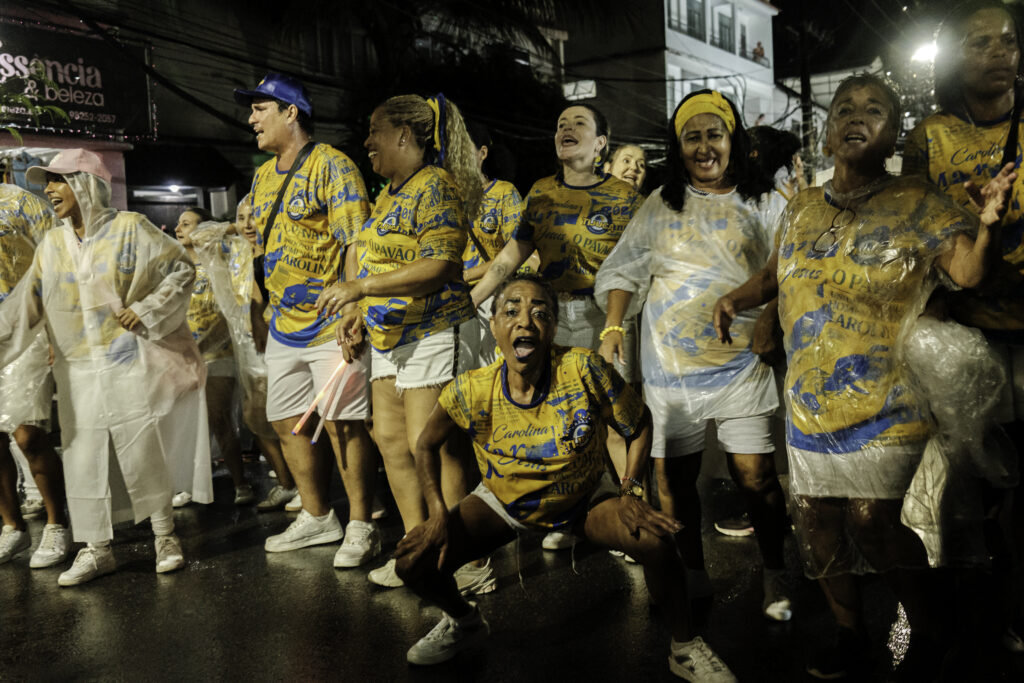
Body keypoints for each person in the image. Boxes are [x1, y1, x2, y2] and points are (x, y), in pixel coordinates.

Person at [713, 74, 1015, 679]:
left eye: (874, 109)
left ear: (894, 132)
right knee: (816, 519)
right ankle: (851, 634)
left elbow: (970, 272)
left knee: (874, 521)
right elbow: (778, 273)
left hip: (888, 400)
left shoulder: (918, 201)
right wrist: (738, 299)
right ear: (826, 134)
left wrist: (987, 227)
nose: (856, 116)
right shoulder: (802, 206)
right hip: (808, 398)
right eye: (844, 108)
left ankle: (929, 630)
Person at [392, 273, 736, 682]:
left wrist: (631, 490)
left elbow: (639, 424)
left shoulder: (583, 368)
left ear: (553, 328)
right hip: (503, 501)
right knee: (412, 563)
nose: (525, 321)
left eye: (540, 313)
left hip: (583, 497)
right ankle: (464, 621)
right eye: (512, 311)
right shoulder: (470, 389)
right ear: (495, 327)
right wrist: (436, 514)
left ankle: (684, 648)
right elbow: (425, 445)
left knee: (656, 541)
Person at [595, 90, 791, 622]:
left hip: (742, 366)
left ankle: (776, 571)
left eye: (714, 134)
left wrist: (770, 321)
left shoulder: (769, 204)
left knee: (755, 475)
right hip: (671, 370)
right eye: (692, 137)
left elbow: (790, 275)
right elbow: (623, 271)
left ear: (734, 141)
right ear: (678, 147)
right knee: (674, 480)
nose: (704, 147)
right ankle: (692, 572)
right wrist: (614, 324)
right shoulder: (661, 205)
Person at [0, 149, 216, 585]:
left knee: (142, 446)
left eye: (58, 181)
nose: (49, 190)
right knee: (83, 456)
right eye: (48, 182)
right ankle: (96, 548)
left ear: (85, 183)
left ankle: (164, 536)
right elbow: (26, 308)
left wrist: (147, 309)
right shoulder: (52, 244)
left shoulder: (130, 228)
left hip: (127, 360)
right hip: (76, 368)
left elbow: (181, 269)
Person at [318, 93, 490, 592]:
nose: (367, 142)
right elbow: (378, 263)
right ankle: (417, 549)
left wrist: (361, 288)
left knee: (432, 448)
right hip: (389, 335)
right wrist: (356, 313)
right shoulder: (390, 194)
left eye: (374, 131)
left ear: (403, 135)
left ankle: (468, 561)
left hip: (434, 330)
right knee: (392, 442)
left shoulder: (436, 186)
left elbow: (440, 266)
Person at [902, 0, 1024, 655]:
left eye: (1007, 40)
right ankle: (977, 614)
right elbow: (913, 230)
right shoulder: (930, 137)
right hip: (966, 343)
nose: (999, 51)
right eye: (980, 42)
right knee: (969, 484)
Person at [469, 103, 644, 551]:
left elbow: (643, 266)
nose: (565, 129)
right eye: (561, 124)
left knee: (612, 418)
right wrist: (470, 300)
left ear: (601, 143)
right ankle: (570, 515)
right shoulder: (541, 192)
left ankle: (632, 519)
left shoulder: (625, 199)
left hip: (603, 317)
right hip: (548, 316)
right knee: (560, 418)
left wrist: (616, 325)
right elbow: (510, 256)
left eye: (578, 124)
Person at [234, 72, 379, 567]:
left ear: (290, 112)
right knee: (285, 418)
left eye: (260, 109)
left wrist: (354, 304)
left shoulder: (333, 165)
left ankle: (360, 524)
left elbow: (355, 238)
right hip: (284, 324)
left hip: (330, 321)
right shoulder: (264, 172)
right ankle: (319, 517)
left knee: (342, 422)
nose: (251, 118)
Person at [189, 196, 297, 511]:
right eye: (242, 217)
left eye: (255, 216)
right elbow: (199, 236)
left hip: (281, 340)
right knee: (255, 417)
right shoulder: (235, 250)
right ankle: (287, 483)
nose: (249, 223)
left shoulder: (281, 247)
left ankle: (304, 486)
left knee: (284, 417)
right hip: (249, 348)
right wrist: (238, 227)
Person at [0, 184, 69, 568]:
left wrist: (57, 329)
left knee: (28, 435)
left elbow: (55, 263)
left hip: (26, 332)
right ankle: (12, 528)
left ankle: (56, 524)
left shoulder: (22, 203)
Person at [175, 206, 255, 505]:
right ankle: (190, 483)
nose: (179, 229)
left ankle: (240, 483)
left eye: (187, 223)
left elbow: (228, 312)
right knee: (186, 423)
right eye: (178, 224)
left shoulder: (218, 264)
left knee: (218, 416)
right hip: (184, 355)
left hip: (217, 353)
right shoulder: (175, 267)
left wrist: (203, 344)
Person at [462, 121, 524, 366]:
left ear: (482, 153)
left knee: (493, 372)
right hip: (451, 300)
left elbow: (516, 254)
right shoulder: (444, 196)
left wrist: (466, 275)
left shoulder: (504, 194)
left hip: (492, 299)